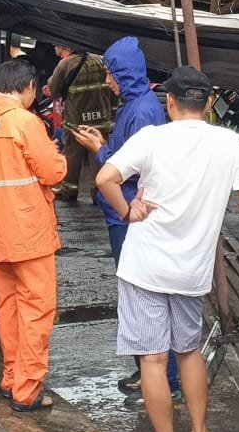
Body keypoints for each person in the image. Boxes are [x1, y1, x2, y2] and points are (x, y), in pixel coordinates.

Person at [94, 66, 239, 432]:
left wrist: (128, 211)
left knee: (153, 360)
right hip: (190, 271)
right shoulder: (228, 143)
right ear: (209, 103)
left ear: (170, 102)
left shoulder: (151, 138)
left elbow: (104, 179)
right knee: (188, 352)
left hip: (143, 267)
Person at [70, 35, 178, 399]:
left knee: (144, 302)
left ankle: (165, 380)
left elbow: (129, 169)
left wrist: (99, 149)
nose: (108, 82)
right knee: (139, 301)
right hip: (124, 217)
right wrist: (104, 145)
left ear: (126, 73)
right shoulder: (135, 105)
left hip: (130, 217)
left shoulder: (143, 111)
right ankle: (151, 373)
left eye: (112, 75)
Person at [0, 58, 66, 412]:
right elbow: (53, 172)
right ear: (28, 87)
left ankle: (12, 378)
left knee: (8, 308)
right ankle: (28, 390)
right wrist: (58, 156)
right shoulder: (24, 122)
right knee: (37, 310)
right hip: (29, 232)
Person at [47, 43, 115, 202]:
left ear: (65, 46)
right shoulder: (101, 60)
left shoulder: (65, 64)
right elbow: (112, 91)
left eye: (55, 45)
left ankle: (69, 191)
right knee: (99, 154)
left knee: (72, 156)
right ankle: (99, 194)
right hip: (101, 119)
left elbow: (54, 89)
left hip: (76, 121)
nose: (54, 48)